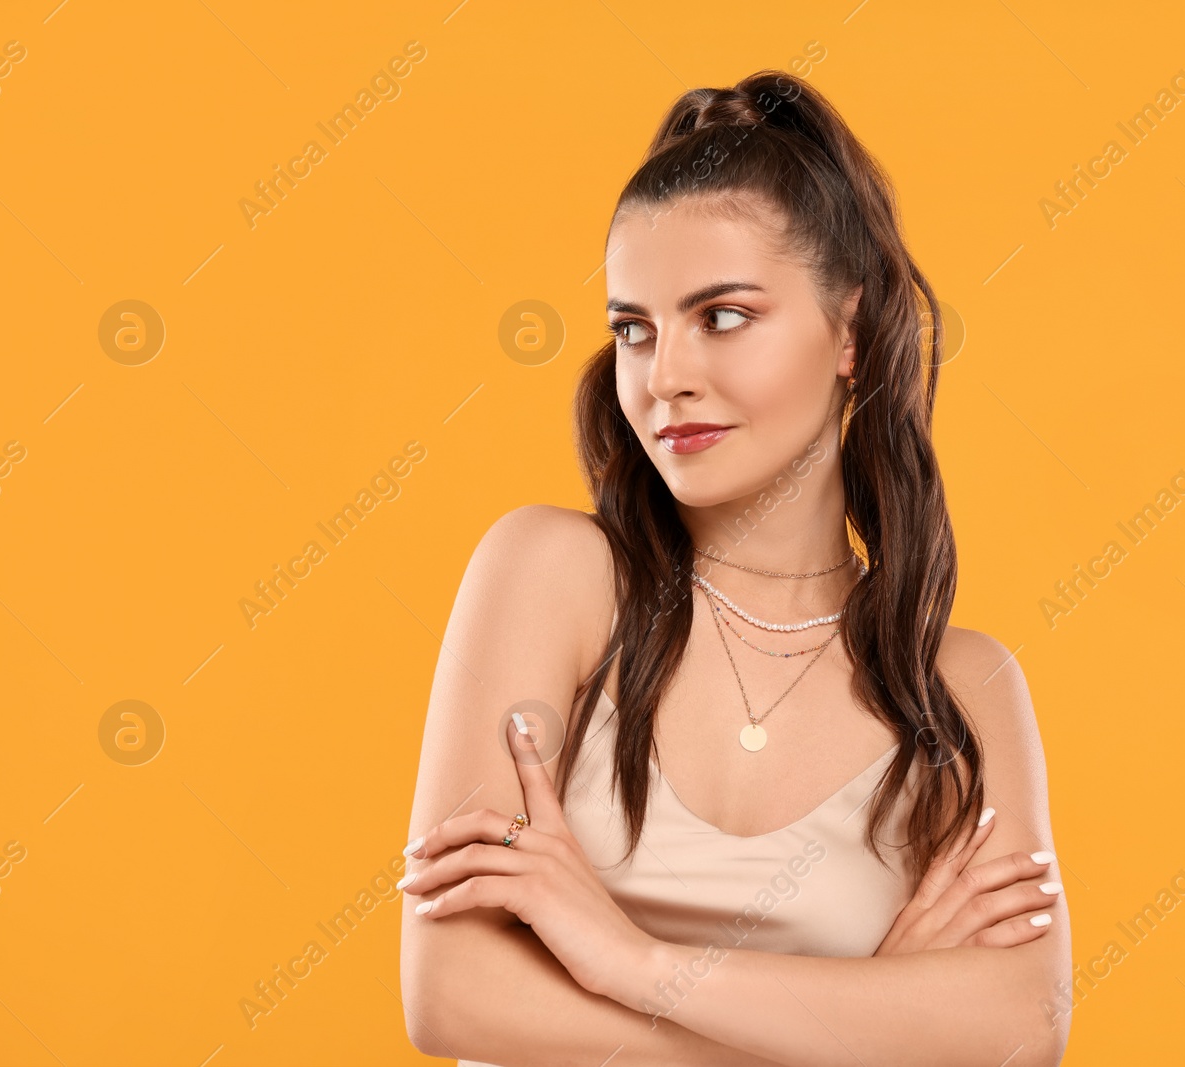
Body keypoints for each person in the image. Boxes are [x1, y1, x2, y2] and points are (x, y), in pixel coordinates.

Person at [398, 70, 1070, 1066]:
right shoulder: (553, 574)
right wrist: (859, 1022)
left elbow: (1019, 1029)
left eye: (719, 316)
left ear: (848, 331)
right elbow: (452, 995)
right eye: (635, 327)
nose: (664, 374)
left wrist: (625, 958)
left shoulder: (960, 690)